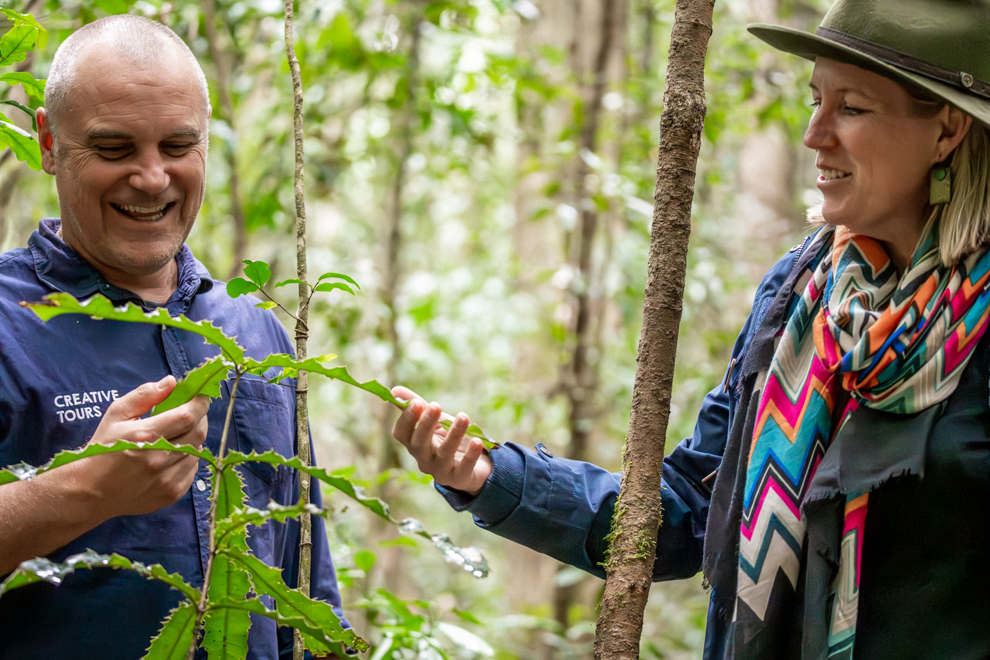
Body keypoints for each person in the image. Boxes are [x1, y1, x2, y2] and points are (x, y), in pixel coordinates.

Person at [390, 0, 990, 658]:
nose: (815, 134)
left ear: (947, 131)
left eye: (851, 107)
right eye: (815, 100)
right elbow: (688, 511)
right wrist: (490, 476)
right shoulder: (799, 294)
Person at [0, 15, 345, 659]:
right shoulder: (8, 320)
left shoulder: (253, 329)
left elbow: (306, 571)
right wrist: (83, 489)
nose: (153, 177)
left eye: (179, 146)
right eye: (113, 149)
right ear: (48, 143)